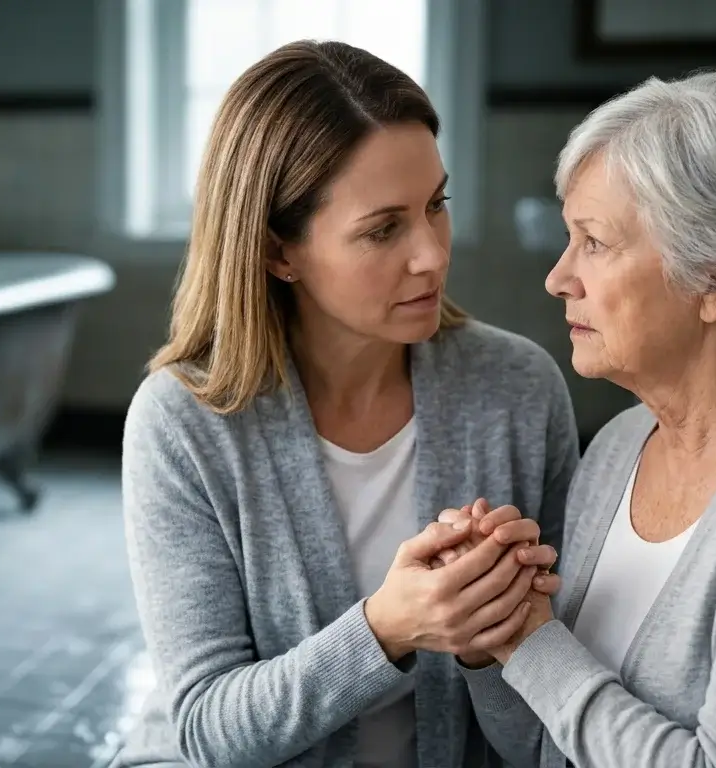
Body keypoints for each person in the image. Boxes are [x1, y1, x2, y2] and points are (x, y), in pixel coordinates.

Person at [114, 40, 579, 768]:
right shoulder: (182, 423)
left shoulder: (518, 390)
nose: (431, 254)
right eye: (383, 229)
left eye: (436, 205)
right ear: (277, 253)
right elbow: (207, 730)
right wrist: (387, 628)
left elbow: (548, 723)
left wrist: (492, 639)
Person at [453, 70, 716, 767]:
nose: (559, 277)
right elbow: (545, 747)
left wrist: (534, 645)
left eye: (595, 242)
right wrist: (491, 640)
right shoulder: (619, 448)